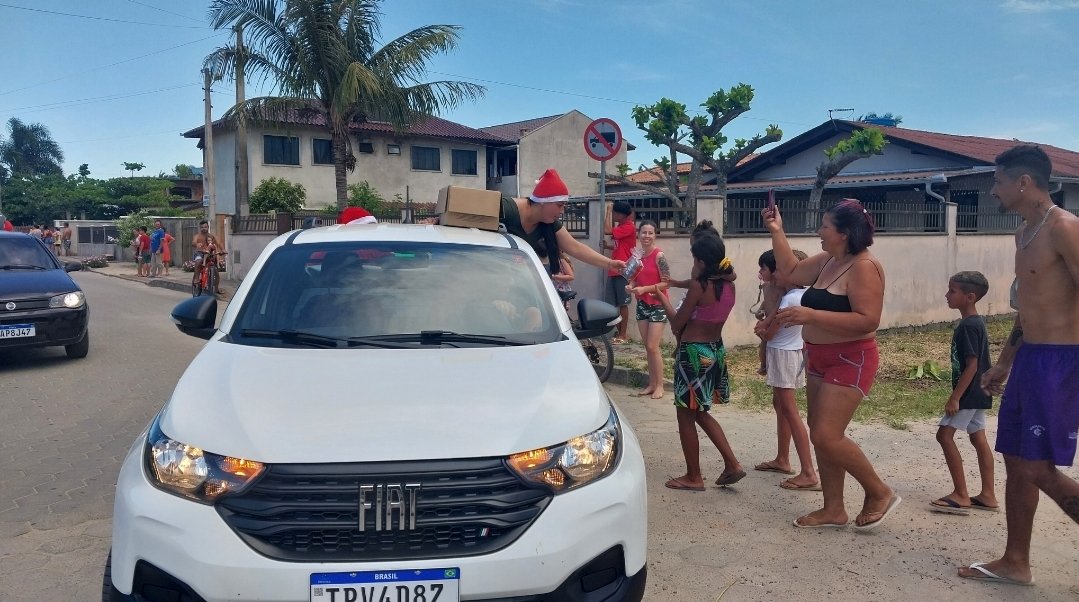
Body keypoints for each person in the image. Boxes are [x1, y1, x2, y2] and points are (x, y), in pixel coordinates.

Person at [958, 145, 1079, 586]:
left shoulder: (1065, 228)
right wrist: (1005, 362)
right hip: (1031, 360)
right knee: (1015, 459)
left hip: (1062, 362)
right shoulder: (1024, 233)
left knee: (1035, 466)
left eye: (998, 181)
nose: (993, 191)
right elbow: (1028, 309)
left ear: (1023, 183)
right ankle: (1016, 561)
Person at [763, 198, 900, 531]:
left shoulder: (865, 267)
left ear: (843, 232)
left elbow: (868, 321)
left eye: (824, 226)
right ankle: (833, 509)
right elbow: (791, 273)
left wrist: (811, 315)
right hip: (819, 356)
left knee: (826, 435)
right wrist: (776, 231)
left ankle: (879, 491)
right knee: (821, 434)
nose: (819, 232)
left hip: (850, 358)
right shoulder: (828, 260)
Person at [636, 233, 745, 490]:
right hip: (714, 351)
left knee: (685, 416)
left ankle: (694, 477)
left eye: (695, 260)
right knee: (700, 412)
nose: (693, 265)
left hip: (693, 355)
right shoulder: (728, 284)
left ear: (702, 262)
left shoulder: (700, 286)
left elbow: (676, 324)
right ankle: (732, 464)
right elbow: (698, 284)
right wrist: (674, 283)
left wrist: (660, 296)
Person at [929, 271, 996, 515]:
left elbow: (972, 365)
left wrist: (955, 397)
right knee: (978, 438)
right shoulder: (976, 322)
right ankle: (988, 494)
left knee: (944, 436)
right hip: (980, 391)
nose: (947, 295)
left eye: (952, 291)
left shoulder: (968, 326)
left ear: (969, 297)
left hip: (968, 393)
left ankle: (961, 494)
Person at [754, 249, 819, 490]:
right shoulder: (797, 295)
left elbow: (771, 332)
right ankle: (783, 459)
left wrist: (762, 329)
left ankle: (809, 472)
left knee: (790, 410)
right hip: (790, 351)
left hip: (783, 352)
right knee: (781, 406)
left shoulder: (791, 298)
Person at [498, 168, 626, 275]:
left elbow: (575, 248)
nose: (563, 211)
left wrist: (609, 263)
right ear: (543, 201)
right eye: (560, 205)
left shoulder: (548, 222)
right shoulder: (505, 209)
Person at [625, 220, 669, 399]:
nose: (647, 236)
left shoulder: (660, 256)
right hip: (642, 304)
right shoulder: (636, 256)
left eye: (650, 233)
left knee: (653, 346)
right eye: (644, 232)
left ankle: (660, 385)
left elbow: (666, 282)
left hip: (658, 304)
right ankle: (651, 383)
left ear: (655, 235)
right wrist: (631, 285)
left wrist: (646, 289)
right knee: (647, 347)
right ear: (639, 234)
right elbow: (633, 278)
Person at [604, 200, 636, 343]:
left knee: (622, 303)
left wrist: (608, 210)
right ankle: (619, 334)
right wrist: (608, 247)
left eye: (616, 213)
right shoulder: (622, 226)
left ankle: (623, 334)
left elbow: (606, 230)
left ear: (621, 214)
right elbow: (621, 247)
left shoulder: (628, 227)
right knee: (612, 304)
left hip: (623, 270)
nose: (614, 215)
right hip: (614, 269)